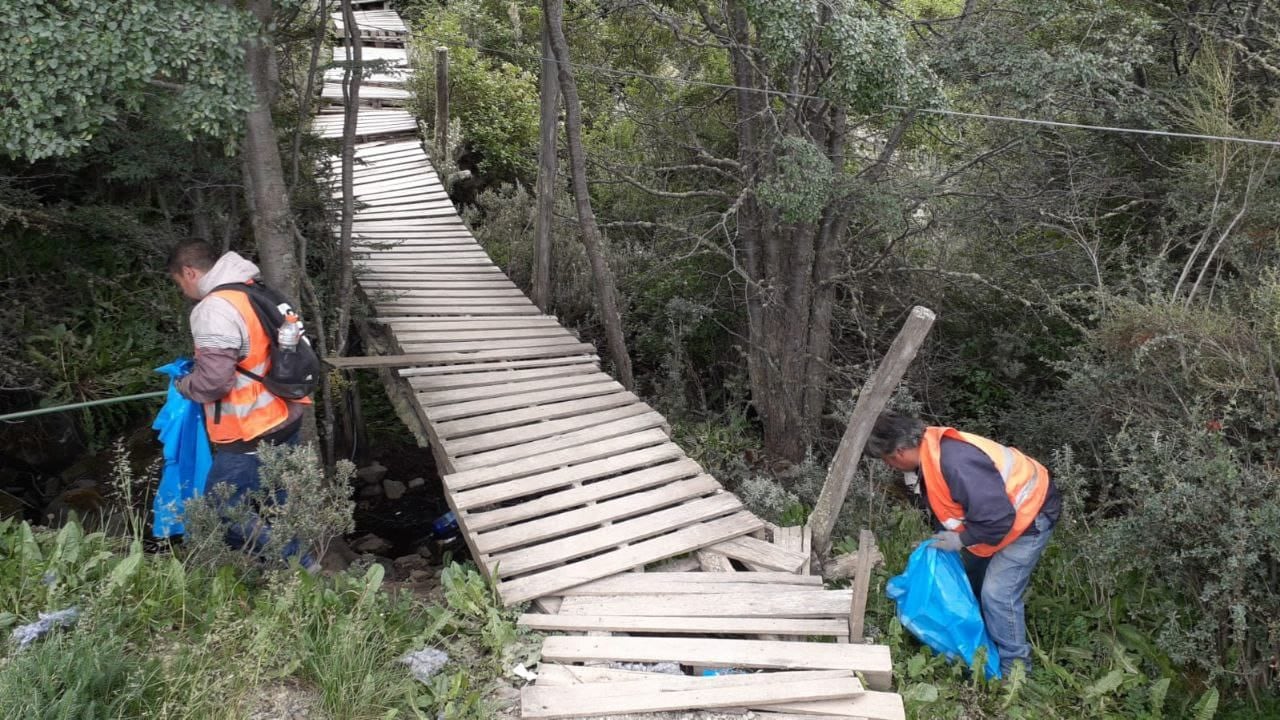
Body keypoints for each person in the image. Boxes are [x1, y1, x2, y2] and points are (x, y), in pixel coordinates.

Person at [867, 411, 1062, 676]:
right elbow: (950, 505)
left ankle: (1015, 670)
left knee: (998, 594)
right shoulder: (929, 456)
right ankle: (984, 640)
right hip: (999, 521)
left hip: (1030, 516)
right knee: (968, 576)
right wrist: (941, 539)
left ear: (899, 452)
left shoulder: (956, 462)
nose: (890, 466)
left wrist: (961, 540)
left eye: (888, 460)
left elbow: (998, 519)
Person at [166, 239, 311, 563]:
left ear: (189, 272)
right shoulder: (256, 292)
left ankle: (300, 566)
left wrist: (184, 385)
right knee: (278, 503)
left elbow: (215, 381)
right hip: (286, 413)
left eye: (179, 283)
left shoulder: (214, 307)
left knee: (223, 508)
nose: (183, 290)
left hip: (250, 426)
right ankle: (293, 574)